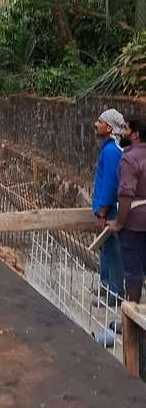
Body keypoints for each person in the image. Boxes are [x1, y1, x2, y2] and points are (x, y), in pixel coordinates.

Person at [111, 118, 146, 302]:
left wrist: (119, 223)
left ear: (135, 134)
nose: (122, 131)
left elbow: (126, 195)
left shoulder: (129, 158)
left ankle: (131, 325)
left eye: (125, 128)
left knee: (132, 273)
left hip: (134, 224)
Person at [92, 108, 125, 302]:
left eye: (100, 121)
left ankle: (115, 293)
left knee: (113, 251)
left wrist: (102, 212)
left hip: (110, 211)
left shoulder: (112, 152)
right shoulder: (108, 149)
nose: (96, 124)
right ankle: (106, 286)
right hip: (105, 209)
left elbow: (111, 184)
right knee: (105, 249)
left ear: (109, 128)